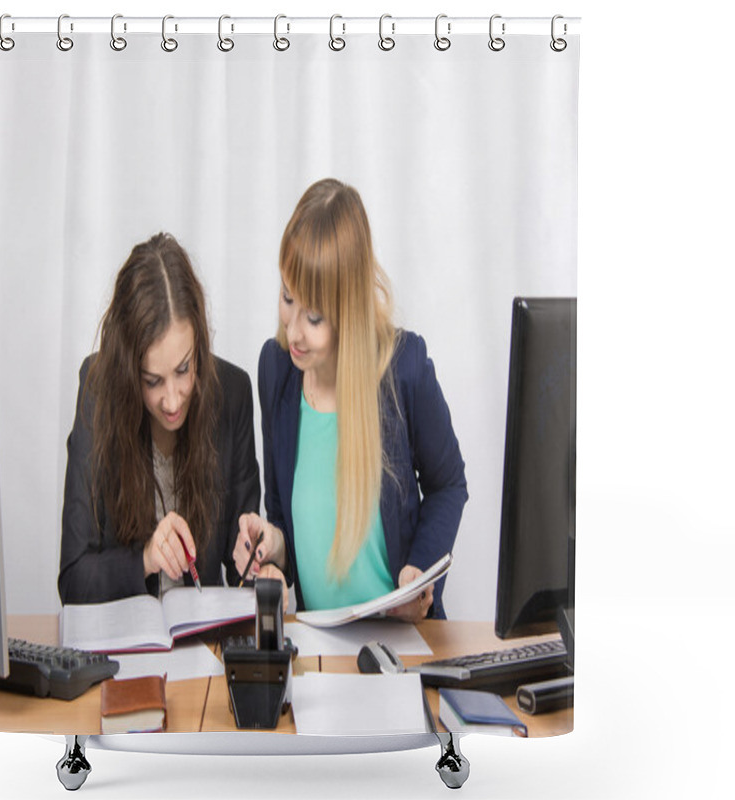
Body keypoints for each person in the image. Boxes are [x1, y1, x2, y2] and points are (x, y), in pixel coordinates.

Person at [232, 179, 467, 622]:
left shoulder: (404, 369)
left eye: (314, 316)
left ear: (350, 309)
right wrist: (270, 543)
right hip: (320, 646)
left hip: (401, 644)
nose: (294, 330)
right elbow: (283, 513)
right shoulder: (277, 370)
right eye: (287, 298)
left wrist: (421, 572)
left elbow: (449, 484)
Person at [59, 233, 260, 604]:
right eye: (152, 381)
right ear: (128, 370)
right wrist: (146, 559)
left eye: (184, 370)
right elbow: (73, 581)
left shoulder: (232, 394)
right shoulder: (98, 391)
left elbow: (241, 569)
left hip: (204, 651)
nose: (171, 401)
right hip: (124, 651)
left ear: (199, 342)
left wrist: (260, 567)